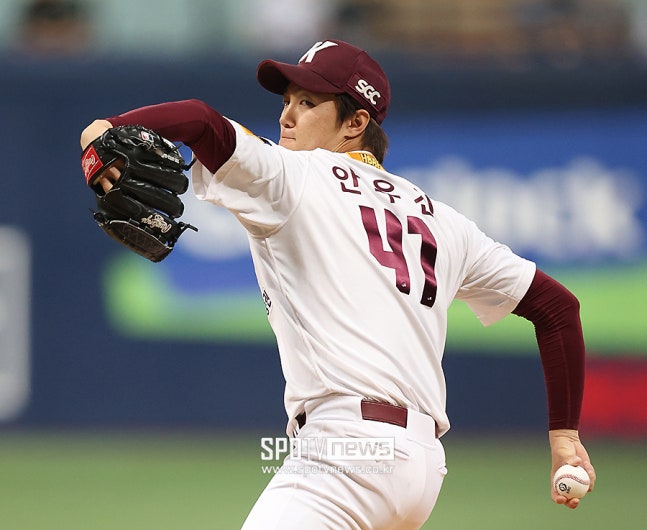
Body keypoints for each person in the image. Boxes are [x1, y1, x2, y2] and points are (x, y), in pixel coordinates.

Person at [80, 39, 596, 529]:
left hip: (346, 454)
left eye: (307, 102)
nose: (287, 115)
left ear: (356, 122)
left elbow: (200, 119)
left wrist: (104, 130)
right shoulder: (442, 220)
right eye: (286, 100)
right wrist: (565, 437)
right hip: (421, 467)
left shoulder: (296, 175)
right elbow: (557, 308)